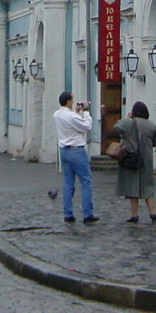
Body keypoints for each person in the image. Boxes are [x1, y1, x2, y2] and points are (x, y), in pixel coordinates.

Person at [112, 101, 156, 223]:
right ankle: (152, 212)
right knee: (147, 185)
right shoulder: (151, 125)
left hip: (131, 158)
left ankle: (134, 214)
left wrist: (126, 118)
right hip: (146, 158)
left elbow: (116, 128)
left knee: (133, 186)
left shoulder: (128, 123)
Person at [53, 92, 97, 224]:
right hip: (76, 151)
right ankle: (87, 214)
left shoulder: (57, 114)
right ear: (68, 101)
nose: (73, 102)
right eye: (72, 100)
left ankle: (68, 213)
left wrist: (77, 112)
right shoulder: (71, 116)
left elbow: (72, 124)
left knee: (68, 183)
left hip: (64, 151)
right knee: (86, 182)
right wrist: (86, 112)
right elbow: (86, 126)